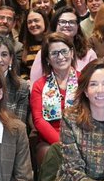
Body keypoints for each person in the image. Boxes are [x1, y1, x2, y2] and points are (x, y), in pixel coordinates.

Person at [30, 32, 79, 163]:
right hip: (51, 141)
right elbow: (38, 120)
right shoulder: (40, 85)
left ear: (72, 53)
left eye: (64, 51)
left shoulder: (84, 80)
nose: (61, 57)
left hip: (81, 136)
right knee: (50, 153)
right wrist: (61, 144)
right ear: (47, 59)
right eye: (54, 53)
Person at [27, 8, 96, 82]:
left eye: (72, 22)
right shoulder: (43, 53)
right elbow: (35, 82)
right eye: (62, 22)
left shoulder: (89, 53)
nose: (67, 25)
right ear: (55, 25)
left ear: (77, 26)